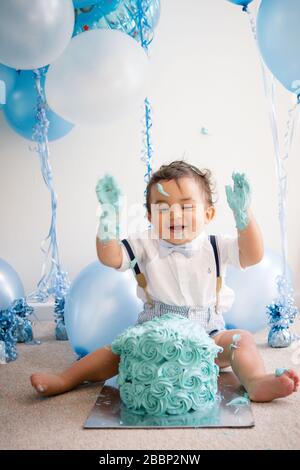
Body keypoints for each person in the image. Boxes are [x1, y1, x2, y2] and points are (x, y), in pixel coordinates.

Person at [31, 160, 299, 401]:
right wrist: (108, 221)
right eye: (163, 207)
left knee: (243, 341)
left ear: (208, 214)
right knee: (113, 352)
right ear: (149, 217)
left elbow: (252, 255)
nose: (175, 214)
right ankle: (66, 379)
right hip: (152, 334)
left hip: (209, 335)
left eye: (186, 206)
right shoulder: (144, 244)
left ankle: (255, 381)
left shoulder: (217, 245)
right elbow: (110, 257)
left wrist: (244, 217)